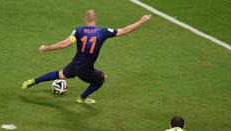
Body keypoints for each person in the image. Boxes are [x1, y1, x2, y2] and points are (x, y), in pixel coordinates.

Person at [22, 10, 151, 104]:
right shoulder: (103, 32)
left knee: (60, 74)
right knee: (101, 78)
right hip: (86, 70)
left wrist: (46, 48)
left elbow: (65, 44)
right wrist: (142, 20)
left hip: (75, 64)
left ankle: (34, 81)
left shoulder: (78, 30)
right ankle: (82, 98)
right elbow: (124, 31)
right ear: (96, 19)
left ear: (85, 19)